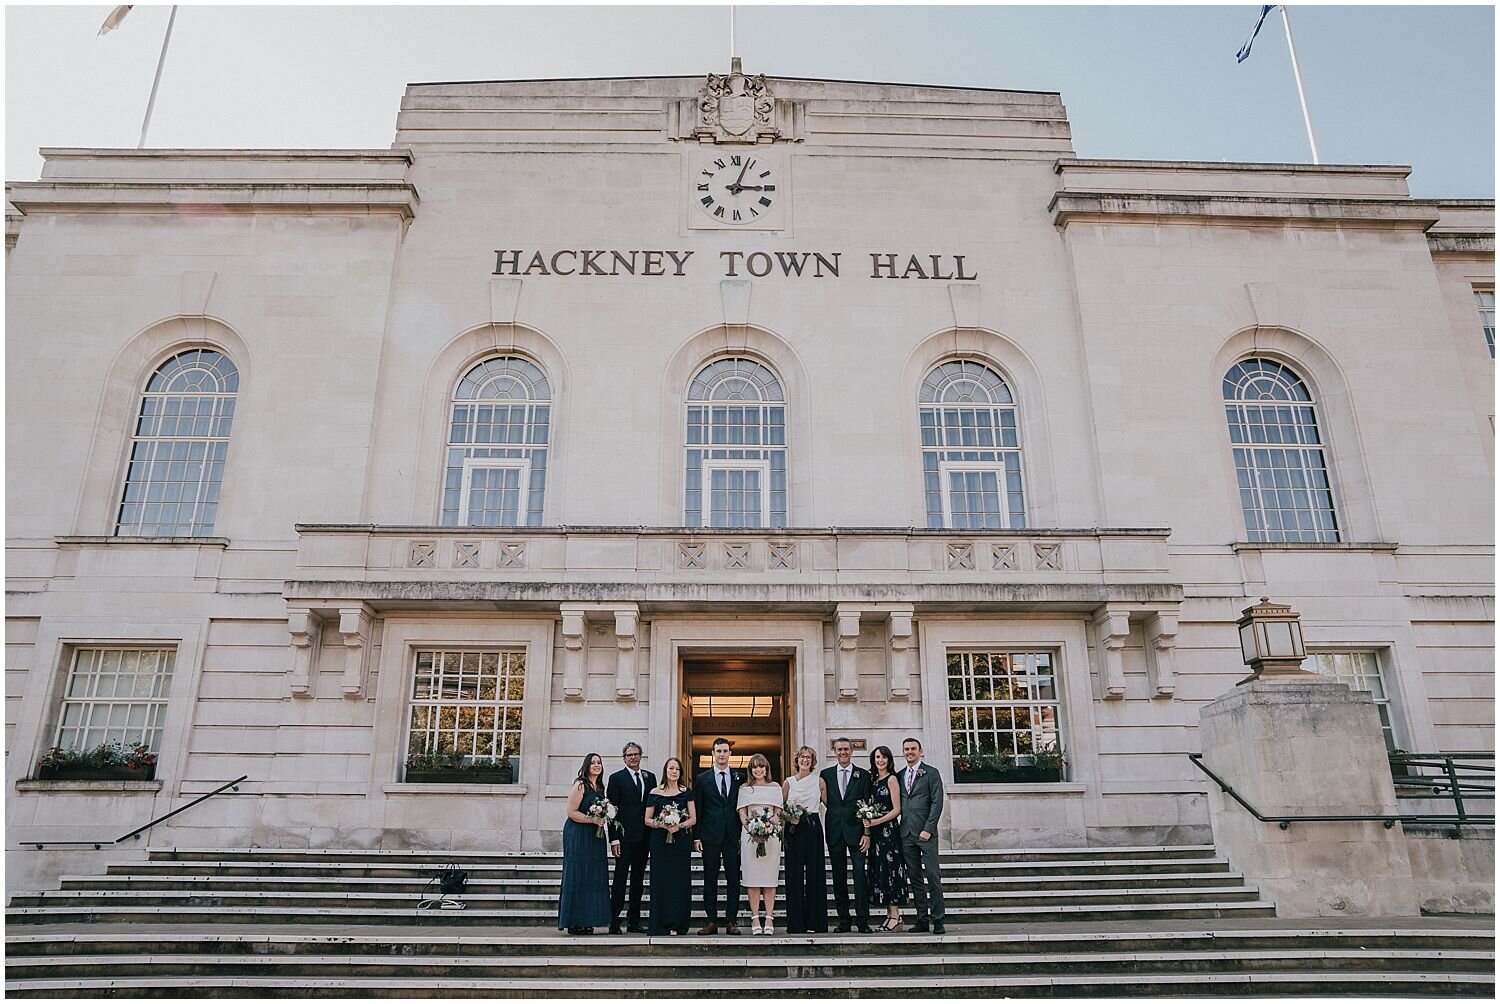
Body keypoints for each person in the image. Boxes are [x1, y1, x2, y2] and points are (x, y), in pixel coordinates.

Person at [820, 736, 873, 933]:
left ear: (851, 751)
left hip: (857, 833)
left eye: (846, 749)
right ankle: (844, 920)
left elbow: (868, 805)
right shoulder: (825, 775)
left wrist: (867, 834)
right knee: (838, 877)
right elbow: (825, 800)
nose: (843, 752)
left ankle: (862, 920)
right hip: (835, 832)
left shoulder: (863, 775)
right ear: (835, 752)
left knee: (860, 876)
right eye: (839, 749)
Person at [692, 737, 742, 935]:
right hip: (710, 836)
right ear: (712, 754)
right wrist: (697, 837)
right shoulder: (702, 779)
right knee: (710, 878)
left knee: (733, 879)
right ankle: (711, 921)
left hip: (733, 835)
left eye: (725, 751)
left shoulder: (740, 777)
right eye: (718, 751)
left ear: (730, 753)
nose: (722, 754)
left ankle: (731, 921)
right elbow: (699, 808)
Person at [559, 752, 613, 935]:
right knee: (578, 874)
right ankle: (574, 921)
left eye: (599, 762)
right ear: (587, 766)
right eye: (593, 763)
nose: (597, 765)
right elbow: (571, 812)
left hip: (594, 836)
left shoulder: (600, 787)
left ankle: (588, 919)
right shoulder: (580, 784)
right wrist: (593, 820)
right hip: (578, 834)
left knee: (592, 876)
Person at [606, 741, 656, 934]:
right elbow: (611, 812)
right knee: (620, 879)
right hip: (624, 838)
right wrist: (614, 839)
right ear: (624, 758)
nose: (633, 757)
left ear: (641, 756)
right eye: (629, 755)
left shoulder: (649, 778)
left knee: (638, 880)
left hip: (644, 838)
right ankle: (614, 921)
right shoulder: (616, 778)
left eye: (636, 754)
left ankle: (634, 921)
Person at [898, 737, 946, 934]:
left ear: (920, 751)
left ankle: (938, 920)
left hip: (926, 834)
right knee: (915, 878)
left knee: (933, 876)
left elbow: (937, 802)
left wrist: (928, 828)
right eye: (906, 749)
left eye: (913, 749)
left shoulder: (931, 773)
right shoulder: (900, 775)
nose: (909, 752)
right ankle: (922, 919)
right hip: (907, 833)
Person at [644, 755, 696, 936]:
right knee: (661, 881)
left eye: (677, 769)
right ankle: (660, 923)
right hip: (660, 842)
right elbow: (647, 819)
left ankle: (678, 923)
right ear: (665, 771)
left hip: (680, 842)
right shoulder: (654, 792)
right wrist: (662, 824)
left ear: (680, 773)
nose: (674, 772)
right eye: (671, 768)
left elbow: (693, 818)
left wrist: (678, 825)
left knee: (679, 881)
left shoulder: (686, 792)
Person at [780, 745, 828, 934]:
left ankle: (816, 922)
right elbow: (779, 808)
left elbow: (829, 804)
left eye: (808, 757)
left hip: (813, 825)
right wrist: (789, 817)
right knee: (794, 873)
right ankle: (796, 923)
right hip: (794, 827)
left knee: (816, 873)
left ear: (813, 761)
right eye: (802, 757)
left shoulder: (820, 781)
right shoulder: (788, 782)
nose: (805, 760)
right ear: (797, 760)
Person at [736, 753, 783, 935]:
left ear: (766, 768)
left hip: (771, 836)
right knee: (753, 879)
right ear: (751, 770)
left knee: (770, 879)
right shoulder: (745, 789)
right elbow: (743, 815)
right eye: (755, 767)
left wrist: (767, 829)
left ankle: (769, 918)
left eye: (761, 766)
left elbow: (778, 813)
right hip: (750, 837)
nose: (758, 770)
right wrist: (753, 831)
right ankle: (755, 917)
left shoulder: (775, 787)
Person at [864, 745, 909, 931]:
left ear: (889, 760)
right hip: (875, 835)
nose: (880, 760)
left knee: (891, 870)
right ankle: (889, 915)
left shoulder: (892, 779)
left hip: (888, 832)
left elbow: (897, 809)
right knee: (879, 872)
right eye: (877, 758)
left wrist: (876, 821)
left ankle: (896, 915)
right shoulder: (873, 781)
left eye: (883, 757)